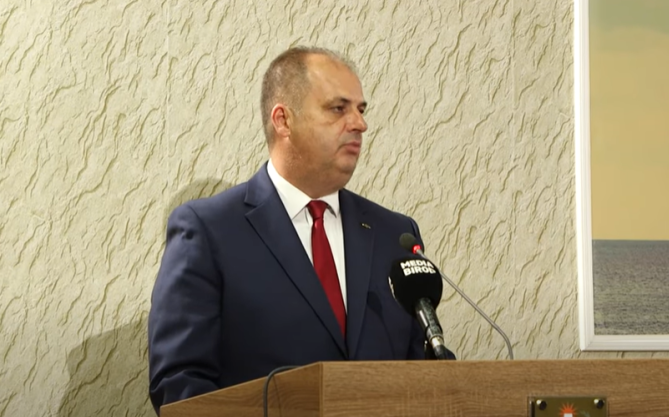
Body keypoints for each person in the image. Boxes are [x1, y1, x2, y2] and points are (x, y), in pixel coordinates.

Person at [147, 46, 451, 414]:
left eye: (361, 109)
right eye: (338, 109)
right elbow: (180, 384)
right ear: (283, 120)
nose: (360, 124)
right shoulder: (209, 231)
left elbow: (424, 372)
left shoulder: (395, 235)